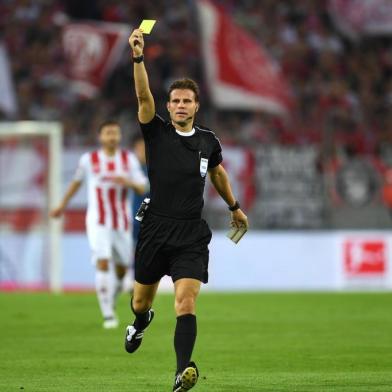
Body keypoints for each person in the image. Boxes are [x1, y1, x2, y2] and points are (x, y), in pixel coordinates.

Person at [124, 29, 249, 391]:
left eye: (187, 101)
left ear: (196, 107)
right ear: (168, 106)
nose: (180, 105)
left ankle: (182, 372)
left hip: (190, 235)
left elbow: (219, 172)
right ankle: (140, 322)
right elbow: (142, 93)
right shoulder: (156, 132)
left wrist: (235, 207)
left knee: (186, 301)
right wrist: (138, 57)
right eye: (175, 101)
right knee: (139, 301)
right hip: (155, 230)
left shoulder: (209, 141)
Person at [50, 121, 148, 329]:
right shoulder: (89, 160)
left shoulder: (128, 159)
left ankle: (110, 301)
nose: (111, 136)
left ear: (119, 136)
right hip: (98, 221)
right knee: (103, 261)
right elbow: (76, 183)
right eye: (107, 133)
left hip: (122, 222)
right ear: (100, 136)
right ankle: (108, 314)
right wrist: (61, 206)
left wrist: (128, 182)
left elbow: (142, 187)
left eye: (115, 133)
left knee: (122, 270)